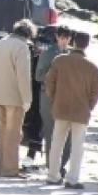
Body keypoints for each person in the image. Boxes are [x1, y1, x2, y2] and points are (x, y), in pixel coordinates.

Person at [44, 31, 98, 188]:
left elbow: (49, 83)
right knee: (77, 146)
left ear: (73, 42)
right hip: (81, 110)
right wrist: (88, 106)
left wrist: (54, 99)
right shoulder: (93, 67)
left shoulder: (59, 60)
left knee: (57, 143)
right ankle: (72, 179)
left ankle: (52, 175)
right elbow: (96, 93)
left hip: (61, 107)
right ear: (87, 45)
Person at [0, 18, 37, 179]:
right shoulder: (22, 47)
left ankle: (1, 167)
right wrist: (27, 99)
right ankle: (10, 170)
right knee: (13, 134)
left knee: (1, 132)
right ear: (29, 34)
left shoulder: (1, 43)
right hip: (14, 97)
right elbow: (23, 76)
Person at [30, 26, 72, 170]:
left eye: (67, 38)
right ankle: (52, 165)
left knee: (67, 132)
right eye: (62, 37)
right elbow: (38, 76)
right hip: (48, 96)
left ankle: (61, 164)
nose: (64, 41)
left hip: (66, 96)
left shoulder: (71, 54)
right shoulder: (48, 53)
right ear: (56, 37)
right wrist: (54, 74)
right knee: (50, 131)